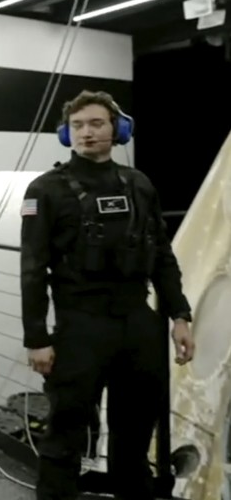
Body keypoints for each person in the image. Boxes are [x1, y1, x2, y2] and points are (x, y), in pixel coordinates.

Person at [19, 89, 196, 500]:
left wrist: (179, 316)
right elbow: (32, 269)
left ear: (117, 129)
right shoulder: (45, 190)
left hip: (139, 325)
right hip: (80, 326)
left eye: (96, 123)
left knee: (133, 438)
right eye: (77, 126)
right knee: (65, 434)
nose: (87, 133)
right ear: (67, 134)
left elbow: (162, 256)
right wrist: (37, 339)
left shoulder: (139, 185)